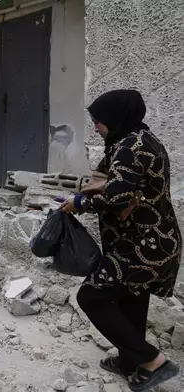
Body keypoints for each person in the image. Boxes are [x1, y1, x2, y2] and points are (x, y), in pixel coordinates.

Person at [61, 90, 181, 392]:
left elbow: (116, 196)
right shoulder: (130, 140)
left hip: (144, 244)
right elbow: (106, 179)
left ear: (115, 118)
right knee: (131, 298)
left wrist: (80, 204)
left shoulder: (132, 146)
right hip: (147, 240)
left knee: (91, 296)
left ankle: (153, 360)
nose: (96, 126)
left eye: (98, 121)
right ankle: (131, 363)